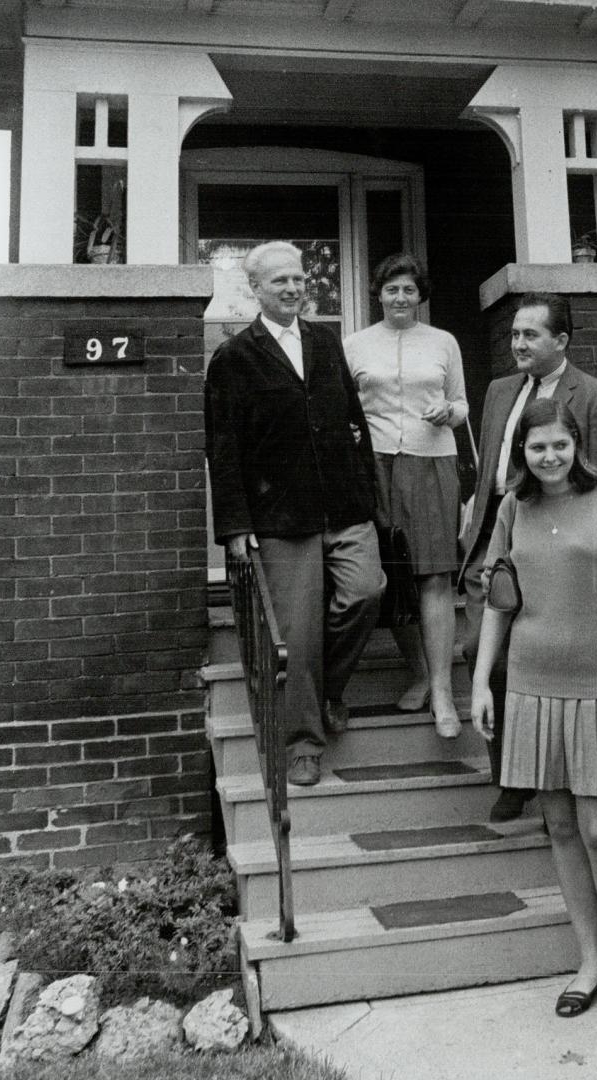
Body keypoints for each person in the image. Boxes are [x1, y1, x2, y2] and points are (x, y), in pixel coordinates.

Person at [470, 398, 597, 1023]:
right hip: (530, 682)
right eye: (535, 447)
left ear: (577, 444)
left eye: (559, 444)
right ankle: (589, 961)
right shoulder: (512, 508)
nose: (548, 457)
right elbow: (498, 602)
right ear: (520, 452)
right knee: (561, 828)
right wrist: (480, 684)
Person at [204, 241, 385, 788]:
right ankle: (302, 743)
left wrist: (369, 496)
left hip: (345, 506)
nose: (293, 288)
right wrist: (235, 528)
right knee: (297, 634)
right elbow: (224, 448)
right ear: (254, 289)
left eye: (300, 279)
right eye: (279, 281)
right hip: (281, 517)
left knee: (366, 591)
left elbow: (355, 423)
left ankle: (327, 690)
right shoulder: (234, 358)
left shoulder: (326, 343)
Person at [459, 292, 597, 821]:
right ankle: (512, 775)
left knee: (542, 656)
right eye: (514, 334)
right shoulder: (498, 391)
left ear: (562, 340)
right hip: (499, 531)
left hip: (565, 543)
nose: (518, 344)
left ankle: (568, 780)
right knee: (481, 651)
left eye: (530, 335)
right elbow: (492, 464)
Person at [344, 254, 469, 738]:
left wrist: (449, 411)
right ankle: (417, 671)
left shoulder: (443, 342)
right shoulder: (354, 345)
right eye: (392, 289)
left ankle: (442, 692)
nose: (400, 297)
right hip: (374, 464)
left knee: (434, 574)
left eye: (409, 290)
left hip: (431, 460)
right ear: (378, 293)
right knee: (393, 575)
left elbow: (461, 403)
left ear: (421, 296)